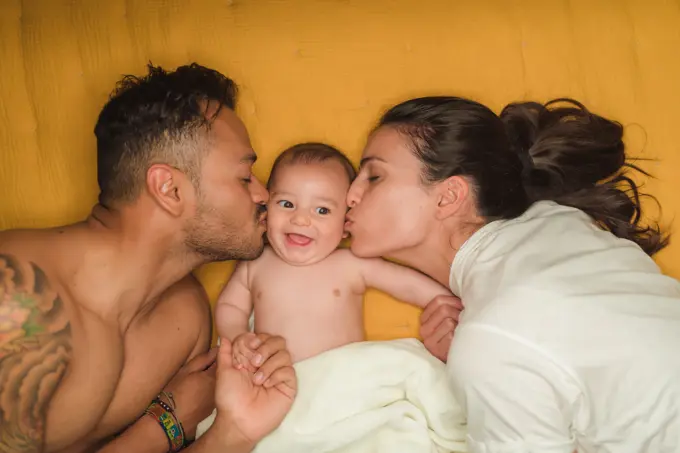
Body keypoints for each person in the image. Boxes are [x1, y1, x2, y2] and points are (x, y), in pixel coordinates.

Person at [344, 96, 680, 452]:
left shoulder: (494, 336)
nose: (350, 195)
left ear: (449, 196)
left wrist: (479, 356)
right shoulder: (560, 220)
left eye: (374, 176)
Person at [0, 63, 296, 453]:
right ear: (169, 188)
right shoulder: (17, 297)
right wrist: (164, 425)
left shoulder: (185, 318)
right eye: (245, 177)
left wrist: (234, 432)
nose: (263, 196)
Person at [215, 142, 455, 366]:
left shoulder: (352, 264)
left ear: (345, 225)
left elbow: (408, 285)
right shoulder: (255, 262)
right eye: (287, 204)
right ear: (267, 209)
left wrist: (456, 308)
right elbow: (230, 306)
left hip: (340, 378)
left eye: (322, 210)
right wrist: (237, 336)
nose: (300, 218)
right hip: (273, 382)